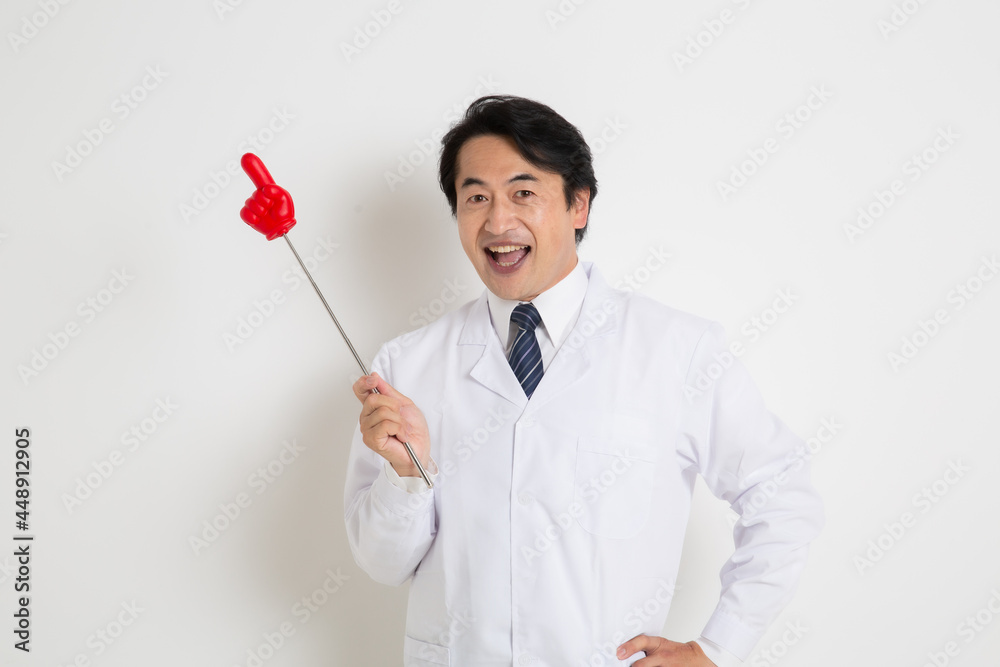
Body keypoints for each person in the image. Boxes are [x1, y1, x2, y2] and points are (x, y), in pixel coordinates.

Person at [344, 95, 823, 667]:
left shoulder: (678, 350)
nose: (498, 222)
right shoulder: (406, 367)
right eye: (476, 198)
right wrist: (406, 476)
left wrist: (718, 648)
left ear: (578, 204)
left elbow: (781, 495)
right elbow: (383, 565)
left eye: (523, 193)